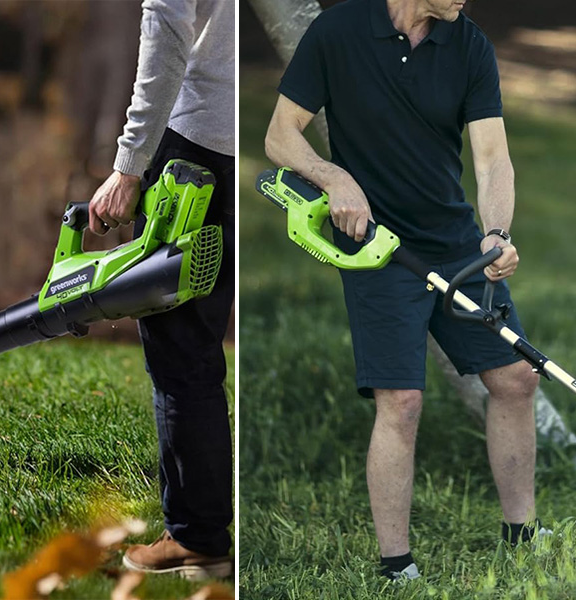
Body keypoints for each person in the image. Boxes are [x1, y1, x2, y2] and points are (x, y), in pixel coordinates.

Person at [264, 0, 545, 582]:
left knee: (516, 378)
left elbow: (492, 160)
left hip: (455, 242)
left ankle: (522, 535)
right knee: (402, 402)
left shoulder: (469, 46)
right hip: (375, 247)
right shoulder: (339, 32)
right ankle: (398, 567)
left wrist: (495, 236)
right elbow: (280, 137)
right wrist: (333, 176)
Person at [86, 0, 234, 581]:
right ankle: (204, 529)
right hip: (231, 143)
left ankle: (196, 537)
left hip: (196, 145)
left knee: (181, 353)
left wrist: (129, 164)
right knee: (200, 348)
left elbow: (167, 30)